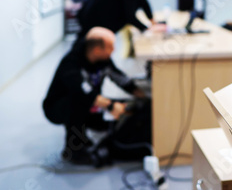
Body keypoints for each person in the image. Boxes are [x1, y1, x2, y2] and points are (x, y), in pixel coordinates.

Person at [43, 27, 151, 166]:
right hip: (57, 107)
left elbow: (120, 79)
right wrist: (111, 106)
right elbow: (85, 93)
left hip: (88, 101)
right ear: (97, 50)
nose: (114, 50)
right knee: (78, 103)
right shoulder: (71, 64)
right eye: (111, 47)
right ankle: (73, 152)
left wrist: (144, 97)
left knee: (113, 116)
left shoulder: (102, 60)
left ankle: (83, 137)